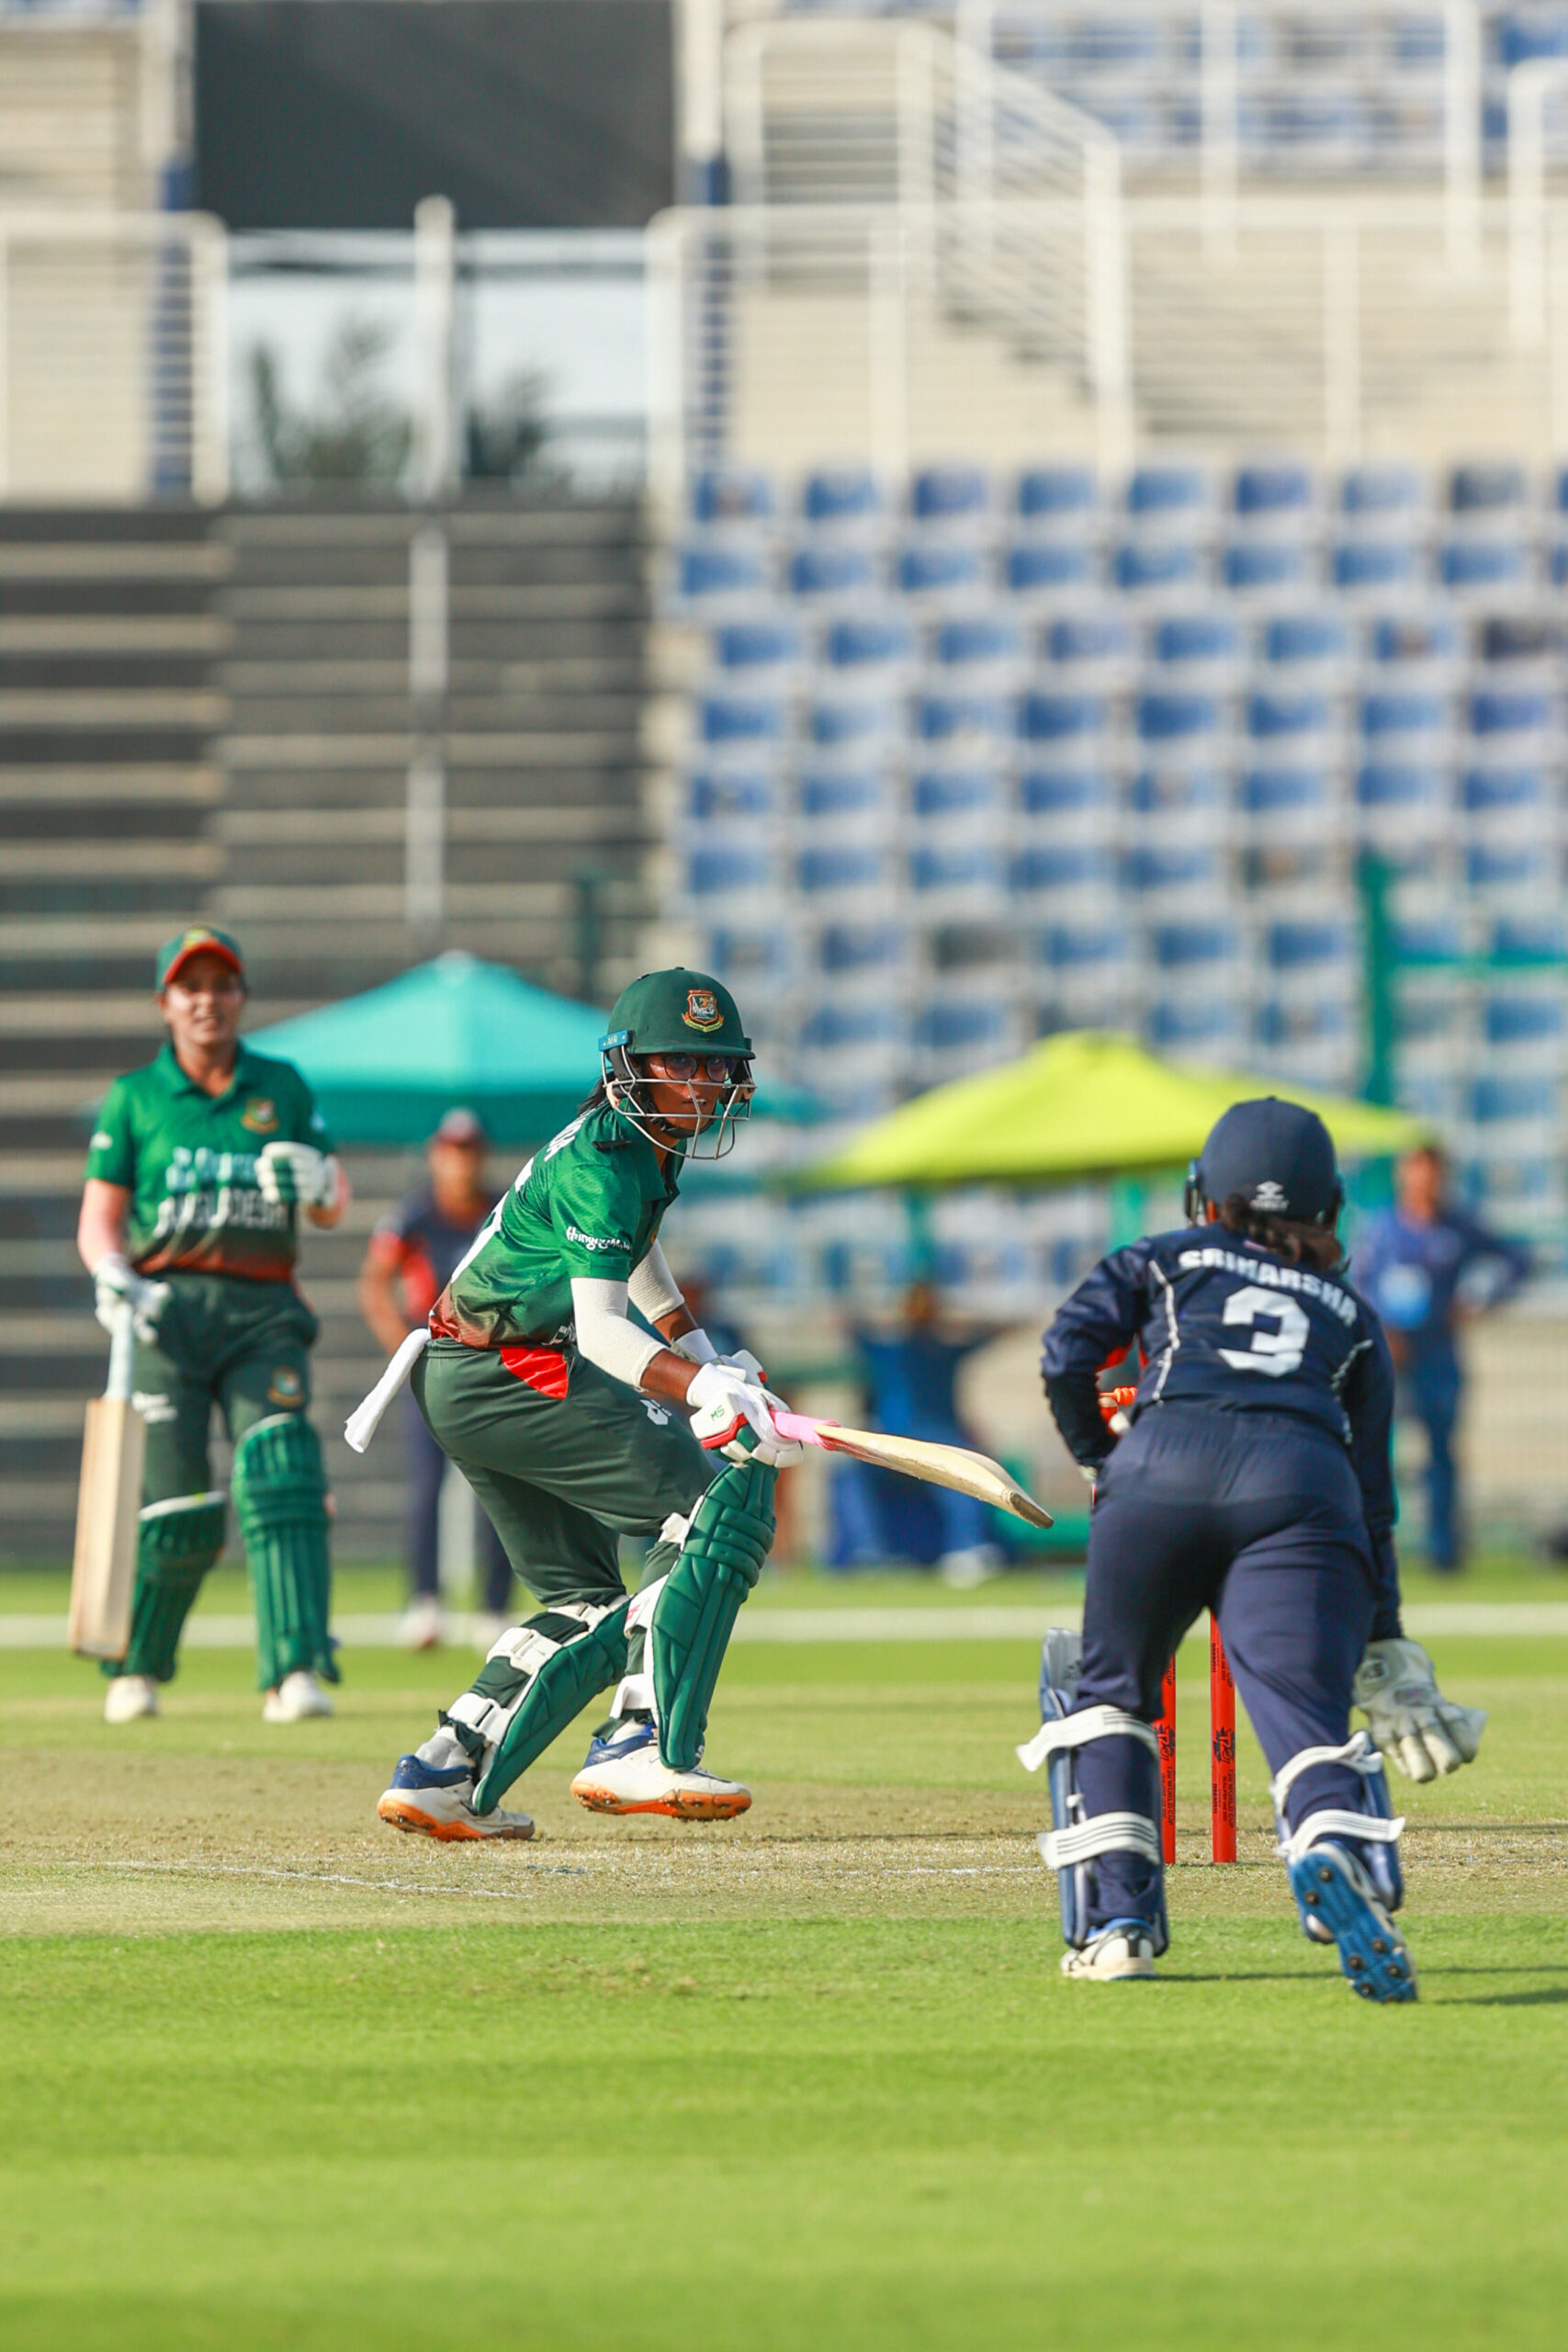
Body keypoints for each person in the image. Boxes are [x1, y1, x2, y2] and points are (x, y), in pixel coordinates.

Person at [1030, 1098, 1486, 2001]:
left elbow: (1065, 1351)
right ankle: (1328, 1849)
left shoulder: (1162, 1257)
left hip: (1159, 1471)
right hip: (1303, 1493)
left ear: (1208, 1195)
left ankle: (1119, 1929)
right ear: (1329, 1207)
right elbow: (1374, 1500)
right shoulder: (1351, 1313)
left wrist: (1102, 1455)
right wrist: (1384, 1631)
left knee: (1112, 1698)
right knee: (1304, 1717)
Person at [362, 968, 804, 1840]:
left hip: (475, 1371)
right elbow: (602, 1331)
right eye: (685, 1063)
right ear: (628, 1066)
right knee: (714, 1501)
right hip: (508, 1367)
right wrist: (701, 1389)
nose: (707, 1084)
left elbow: (636, 1259)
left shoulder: (645, 1142)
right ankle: (638, 1741)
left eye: (718, 1067)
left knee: (585, 1600)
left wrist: (705, 1356)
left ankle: (444, 1771)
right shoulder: (601, 1157)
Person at [77, 926, 347, 1724]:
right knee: (178, 1511)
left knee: (281, 1478)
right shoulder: (135, 1097)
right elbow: (100, 1218)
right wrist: (110, 1274)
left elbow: (331, 1206)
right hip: (166, 1317)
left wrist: (321, 1178)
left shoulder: (283, 1085)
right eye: (190, 987)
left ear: (241, 998)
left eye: (221, 985)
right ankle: (137, 1667)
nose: (207, 1001)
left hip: (264, 1312)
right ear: (166, 1003)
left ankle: (293, 1670)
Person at [357, 1109, 513, 1647]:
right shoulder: (415, 1216)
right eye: (451, 1150)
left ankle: (494, 1607)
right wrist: (396, 1347)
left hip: (490, 1365)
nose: (460, 1161)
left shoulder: (501, 1211)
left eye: (469, 1150)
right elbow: (374, 1280)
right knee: (426, 1489)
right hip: (432, 1364)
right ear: (435, 1155)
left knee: (499, 1488)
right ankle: (426, 1602)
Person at [1356, 1146, 1531, 1572]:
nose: (1424, 1183)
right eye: (1416, 1173)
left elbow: (1516, 1260)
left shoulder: (1458, 1227)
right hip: (1391, 1355)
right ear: (1403, 1177)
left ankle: (1443, 1551)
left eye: (1431, 1174)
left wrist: (1481, 1301)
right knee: (1371, 1450)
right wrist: (1381, 1332)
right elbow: (1359, 1283)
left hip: (1438, 1353)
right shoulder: (1382, 1230)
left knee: (1441, 1454)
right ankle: (1369, 1548)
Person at [830, 1283, 1004, 1586]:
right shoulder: (890, 1350)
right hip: (892, 1449)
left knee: (969, 1468)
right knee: (849, 1474)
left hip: (940, 1444)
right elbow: (846, 1326)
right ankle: (870, 1553)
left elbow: (996, 1332)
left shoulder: (944, 1350)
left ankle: (968, 1549)